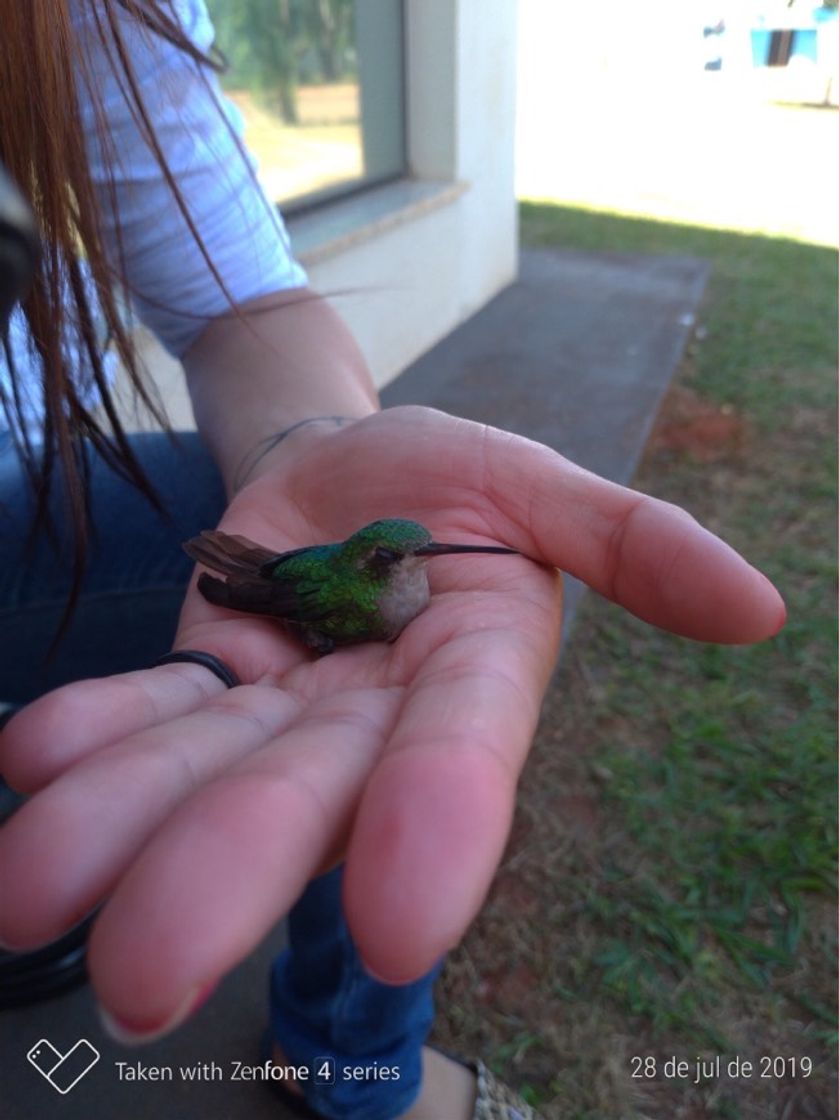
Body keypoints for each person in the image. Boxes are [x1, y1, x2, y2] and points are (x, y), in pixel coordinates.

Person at [0, 3, 786, 1119]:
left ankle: (337, 1044)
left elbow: (239, 298)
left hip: (26, 474)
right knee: (280, 637)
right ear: (372, 574)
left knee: (388, 751)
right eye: (398, 566)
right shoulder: (348, 595)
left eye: (415, 562)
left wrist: (307, 440)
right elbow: (295, 589)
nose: (417, 572)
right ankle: (351, 1067)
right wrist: (276, 596)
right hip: (221, 569)